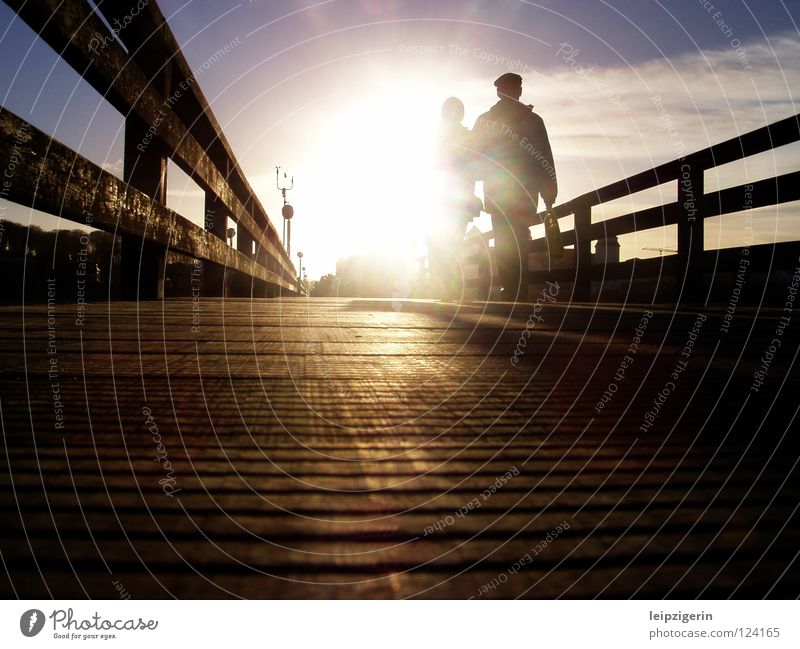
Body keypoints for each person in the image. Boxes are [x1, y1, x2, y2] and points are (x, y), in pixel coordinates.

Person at [472, 73, 558, 302]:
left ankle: (511, 287)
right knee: (520, 237)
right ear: (518, 92)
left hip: (499, 191)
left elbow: (474, 157)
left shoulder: (485, 121)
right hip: (523, 191)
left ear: (499, 92)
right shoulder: (533, 121)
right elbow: (544, 158)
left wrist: (475, 183)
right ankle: (517, 288)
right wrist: (549, 192)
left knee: (503, 238)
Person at [428, 97, 482, 301]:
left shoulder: (433, 137)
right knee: (453, 243)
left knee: (442, 244)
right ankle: (449, 289)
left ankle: (444, 289)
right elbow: (477, 168)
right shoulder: (468, 137)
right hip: (454, 200)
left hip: (442, 200)